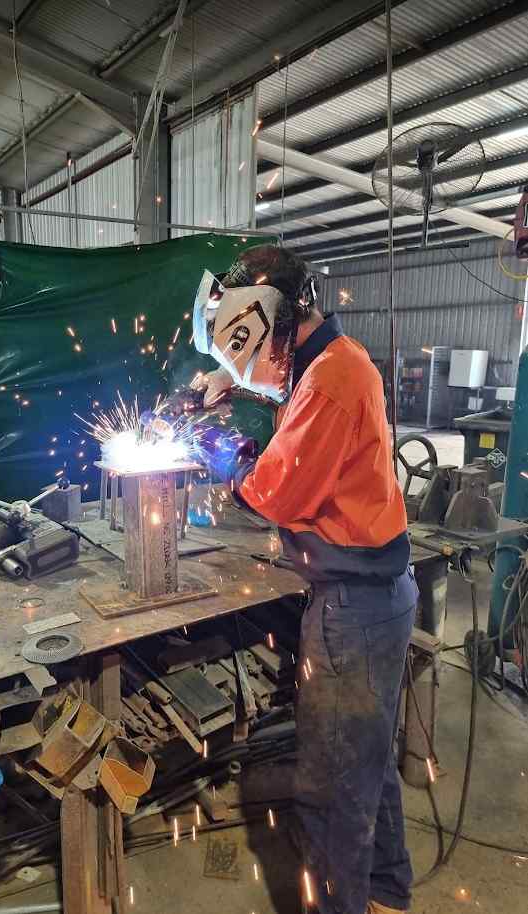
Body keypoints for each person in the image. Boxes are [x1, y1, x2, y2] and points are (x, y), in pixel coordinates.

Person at [192, 245, 418, 914]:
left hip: (354, 607)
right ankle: (384, 891)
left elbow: (272, 494)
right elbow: (283, 384)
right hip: (371, 593)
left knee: (330, 785)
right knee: (368, 765)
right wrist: (227, 384)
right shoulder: (325, 357)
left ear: (282, 323)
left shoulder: (329, 380)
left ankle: (345, 902)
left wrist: (222, 453)